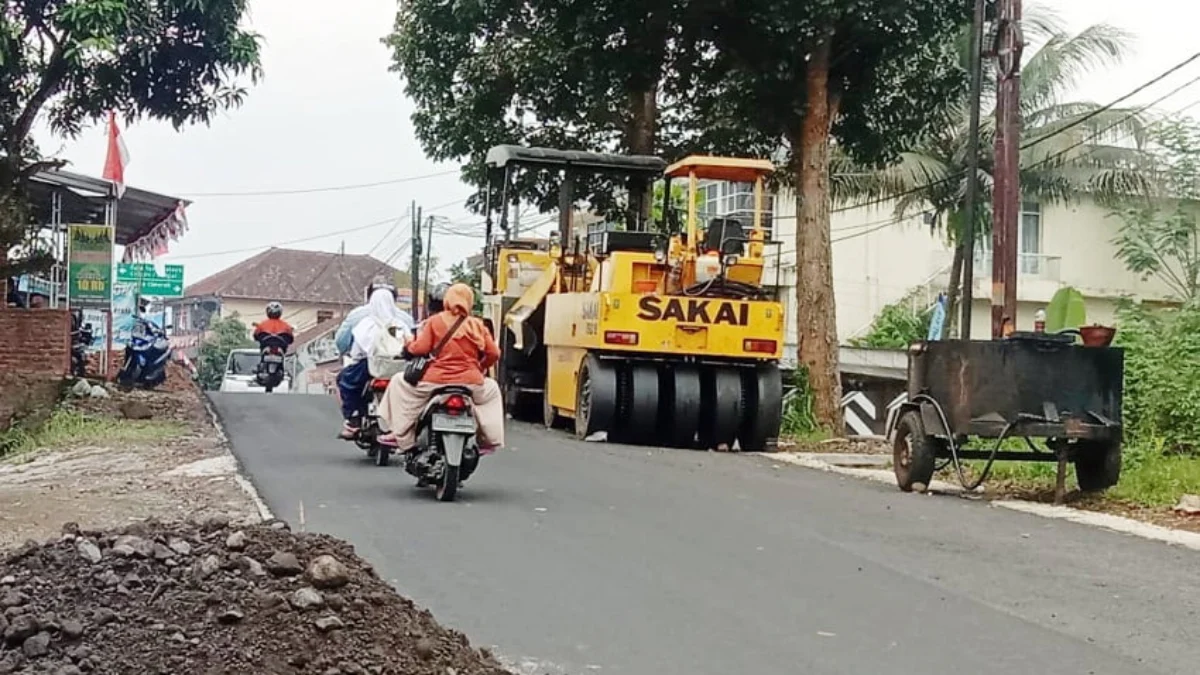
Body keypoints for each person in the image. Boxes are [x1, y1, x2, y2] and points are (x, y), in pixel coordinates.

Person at [377, 283, 504, 453]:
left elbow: (420, 349)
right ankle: (489, 440)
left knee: (398, 382)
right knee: (493, 389)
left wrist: (408, 345)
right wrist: (480, 367)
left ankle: (400, 434)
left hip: (435, 382)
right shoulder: (477, 325)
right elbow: (494, 353)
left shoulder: (435, 321)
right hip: (471, 383)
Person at [337, 287, 413, 439]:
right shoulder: (401, 324)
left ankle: (353, 419)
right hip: (397, 369)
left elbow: (356, 350)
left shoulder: (365, 324)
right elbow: (410, 344)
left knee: (345, 381)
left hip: (369, 367)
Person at [335, 277, 414, 355]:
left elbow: (341, 343)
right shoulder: (406, 319)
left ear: (369, 296)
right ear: (394, 298)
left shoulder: (356, 315)